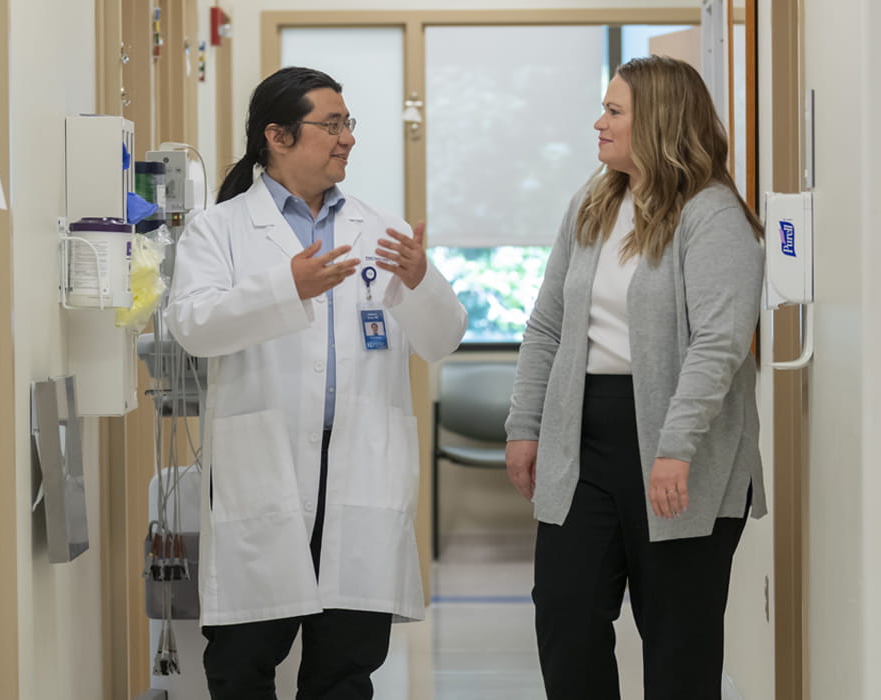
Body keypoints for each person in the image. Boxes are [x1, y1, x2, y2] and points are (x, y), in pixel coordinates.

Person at [166, 66, 466, 700]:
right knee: (243, 663)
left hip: (360, 463)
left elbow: (442, 340)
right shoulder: (218, 230)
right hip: (264, 464)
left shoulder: (379, 228)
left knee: (345, 669)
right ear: (277, 135)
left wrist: (420, 281)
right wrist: (285, 288)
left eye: (347, 123)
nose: (347, 138)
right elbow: (193, 326)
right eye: (331, 125)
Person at [503, 55, 766, 700]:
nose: (599, 122)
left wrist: (676, 447)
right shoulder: (592, 205)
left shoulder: (712, 216)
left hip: (682, 446)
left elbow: (719, 343)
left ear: (657, 121)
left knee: (678, 639)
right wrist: (525, 424)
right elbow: (547, 326)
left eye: (614, 111)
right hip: (582, 440)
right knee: (565, 616)